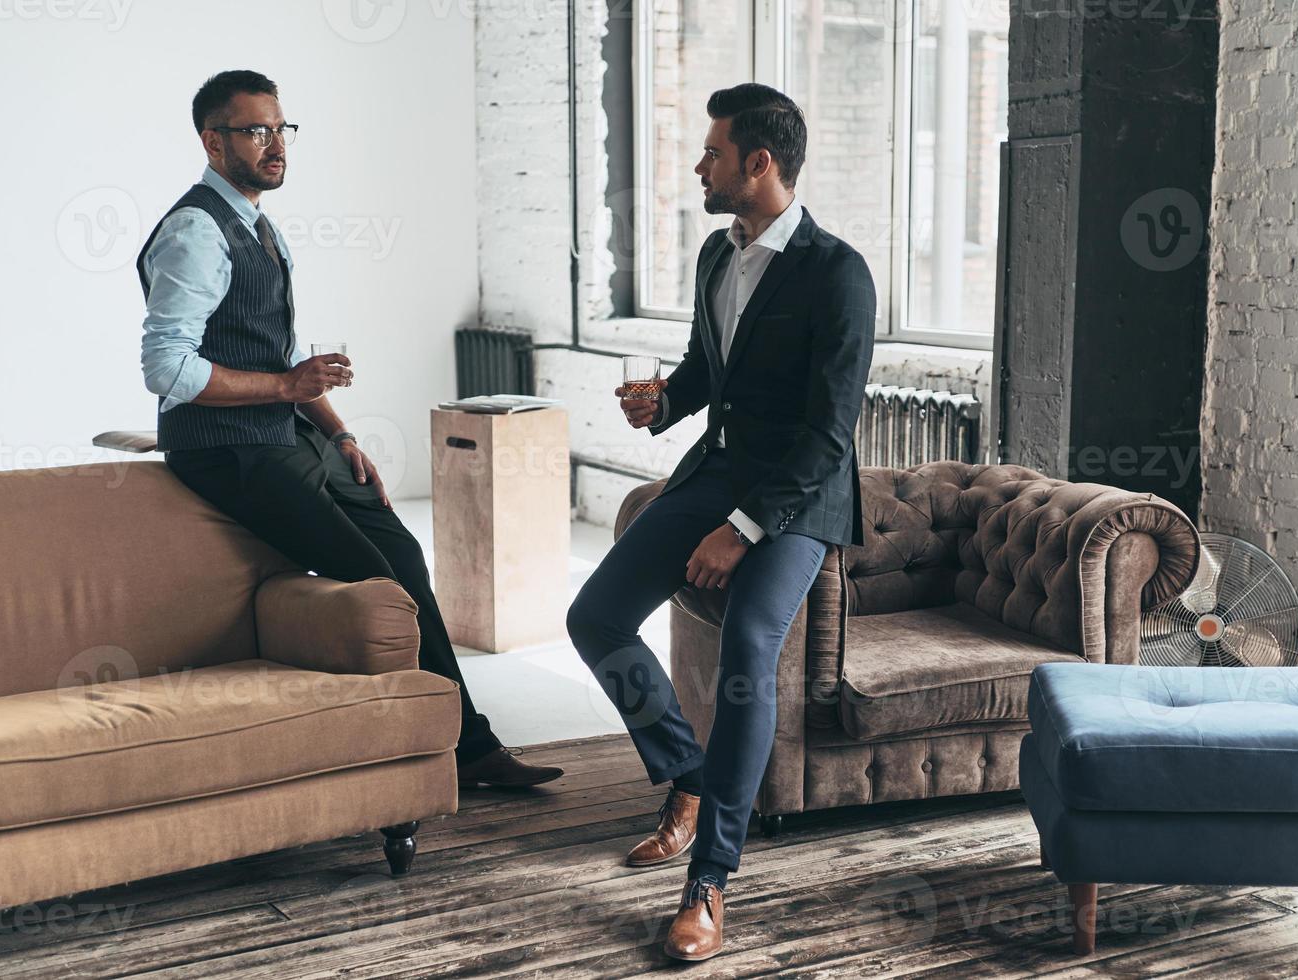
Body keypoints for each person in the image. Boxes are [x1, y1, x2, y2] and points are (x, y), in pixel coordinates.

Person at [139, 70, 561, 790]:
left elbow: (280, 346)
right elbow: (166, 367)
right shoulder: (195, 231)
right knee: (380, 582)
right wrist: (283, 389)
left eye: (281, 129)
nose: (276, 146)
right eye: (255, 131)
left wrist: (337, 434)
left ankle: (469, 744)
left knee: (406, 560)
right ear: (212, 142)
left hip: (285, 437)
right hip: (224, 452)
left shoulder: (255, 223)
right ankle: (443, 750)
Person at [566, 83, 876, 961]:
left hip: (799, 497)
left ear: (759, 163)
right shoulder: (717, 252)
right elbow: (711, 368)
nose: (699, 166)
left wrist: (741, 529)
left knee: (747, 653)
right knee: (593, 617)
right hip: (717, 471)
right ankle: (688, 775)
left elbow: (828, 431)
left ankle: (708, 883)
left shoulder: (837, 272)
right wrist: (663, 401)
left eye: (711, 152)